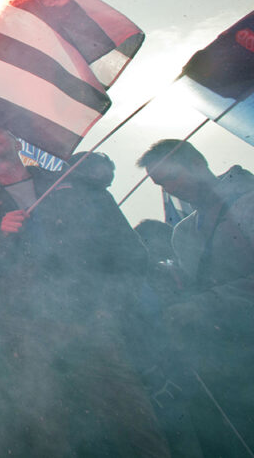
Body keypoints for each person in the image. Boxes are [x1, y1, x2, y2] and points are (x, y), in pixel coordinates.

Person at [0, 131, 168, 456]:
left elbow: (128, 250)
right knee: (49, 439)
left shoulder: (75, 186)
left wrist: (108, 310)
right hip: (24, 346)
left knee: (133, 429)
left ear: (18, 141)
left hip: (92, 334)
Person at [138, 139, 254, 455]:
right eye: (161, 183)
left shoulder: (249, 202)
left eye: (172, 176)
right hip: (234, 354)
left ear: (198, 163)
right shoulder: (183, 232)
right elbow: (196, 291)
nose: (171, 188)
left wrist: (208, 302)